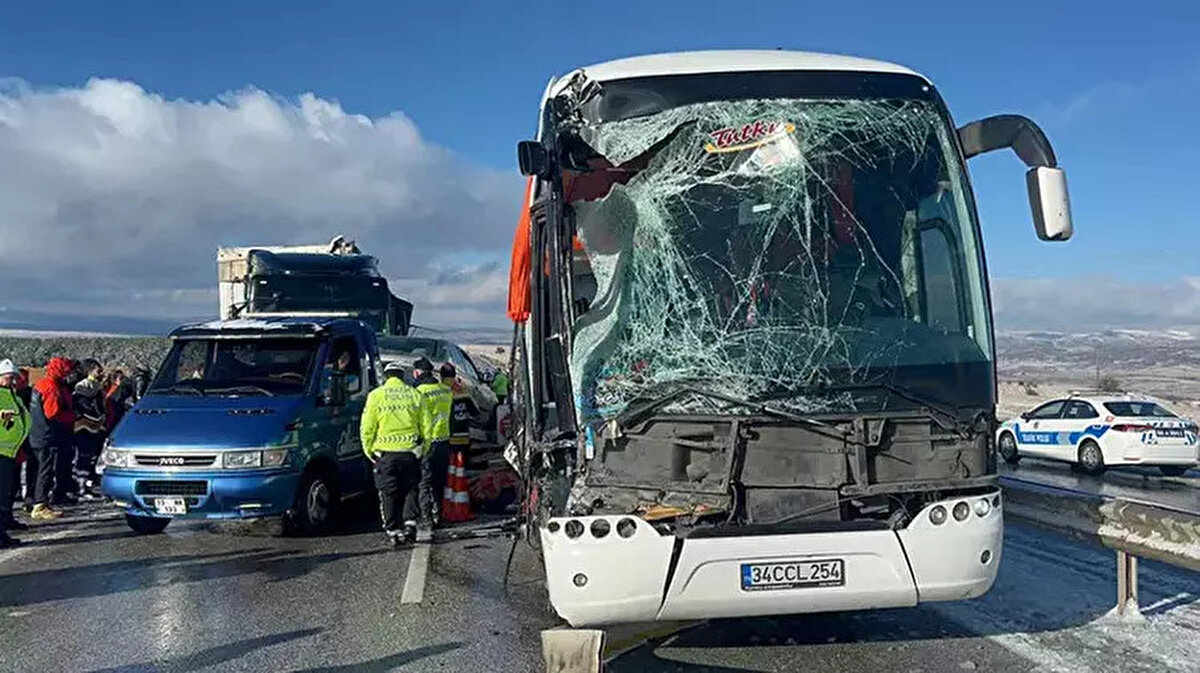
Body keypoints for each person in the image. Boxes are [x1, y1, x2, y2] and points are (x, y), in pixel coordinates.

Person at [361, 360, 428, 547]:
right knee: (410, 488)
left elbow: (367, 427)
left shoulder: (376, 396)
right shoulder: (415, 395)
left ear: (387, 377)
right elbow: (427, 427)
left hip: (385, 455)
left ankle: (393, 530)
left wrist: (369, 450)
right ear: (402, 376)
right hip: (409, 453)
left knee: (388, 493)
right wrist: (422, 450)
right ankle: (410, 523)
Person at [28, 357, 75, 520]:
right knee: (45, 470)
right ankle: (40, 504)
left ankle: (34, 501)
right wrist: (72, 416)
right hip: (48, 435)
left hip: (37, 433)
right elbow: (52, 413)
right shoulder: (52, 387)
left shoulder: (41, 384)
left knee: (37, 469)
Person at [412, 357, 451, 526]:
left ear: (417, 373)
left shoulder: (419, 393)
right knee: (439, 481)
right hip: (444, 440)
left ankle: (426, 517)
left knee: (424, 481)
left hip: (428, 442)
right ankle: (439, 515)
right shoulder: (445, 390)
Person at [0, 359, 30, 547]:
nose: (12, 381)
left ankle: (3, 529)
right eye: (9, 378)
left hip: (11, 451)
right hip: (2, 451)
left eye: (14, 378)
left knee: (7, 494)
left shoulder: (14, 396)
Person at [73, 359, 106, 499]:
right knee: (82, 457)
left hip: (95, 427)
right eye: (98, 371)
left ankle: (87, 484)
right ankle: (80, 486)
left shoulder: (97, 386)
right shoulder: (83, 386)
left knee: (92, 457)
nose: (100, 373)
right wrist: (96, 418)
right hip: (84, 427)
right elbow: (83, 406)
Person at [443, 363, 476, 457]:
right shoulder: (464, 391)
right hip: (464, 435)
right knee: (461, 463)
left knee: (450, 464)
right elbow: (475, 412)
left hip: (447, 436)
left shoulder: (441, 391)